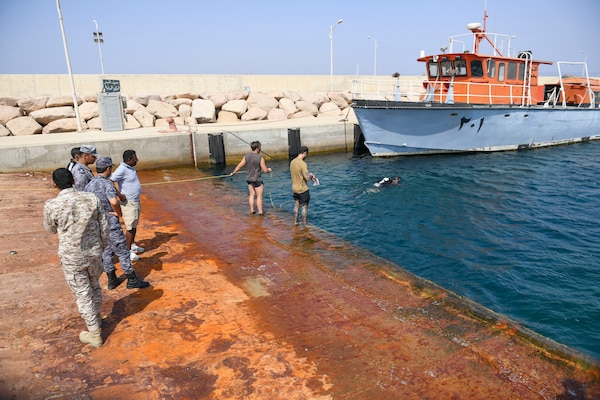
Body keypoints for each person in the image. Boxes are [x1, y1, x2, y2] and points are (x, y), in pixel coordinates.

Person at [43, 168, 109, 347]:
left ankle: (94, 333)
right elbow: (104, 227)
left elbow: (50, 229)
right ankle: (96, 318)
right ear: (73, 180)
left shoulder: (52, 205)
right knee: (94, 285)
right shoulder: (91, 198)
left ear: (54, 184)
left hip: (73, 257)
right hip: (94, 253)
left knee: (83, 293)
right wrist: (100, 248)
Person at [85, 157, 150, 290]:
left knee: (106, 251)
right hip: (110, 221)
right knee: (122, 250)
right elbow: (114, 202)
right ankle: (131, 279)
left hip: (98, 222)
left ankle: (111, 279)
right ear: (108, 169)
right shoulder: (107, 184)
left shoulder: (89, 184)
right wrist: (118, 213)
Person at [110, 150, 145, 261]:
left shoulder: (130, 168)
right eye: (135, 158)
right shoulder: (122, 169)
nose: (137, 160)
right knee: (130, 227)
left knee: (134, 225)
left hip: (135, 201)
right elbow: (110, 181)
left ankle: (133, 245)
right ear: (129, 159)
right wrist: (119, 195)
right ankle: (127, 251)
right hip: (128, 203)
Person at [230, 141, 273, 215]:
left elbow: (240, 165)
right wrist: (269, 170)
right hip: (257, 179)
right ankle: (260, 212)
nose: (260, 149)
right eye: (259, 148)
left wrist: (234, 172)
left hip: (249, 179)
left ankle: (252, 210)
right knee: (259, 196)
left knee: (252, 194)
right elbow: (265, 170)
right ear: (257, 148)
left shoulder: (246, 156)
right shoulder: (260, 158)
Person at [289, 146, 317, 227]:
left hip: (294, 188)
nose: (306, 156)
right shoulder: (303, 164)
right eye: (306, 154)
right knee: (304, 207)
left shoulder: (292, 162)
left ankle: (295, 221)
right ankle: (304, 224)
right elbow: (307, 178)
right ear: (304, 153)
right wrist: (311, 175)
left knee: (296, 205)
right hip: (303, 189)